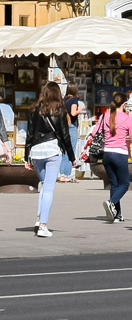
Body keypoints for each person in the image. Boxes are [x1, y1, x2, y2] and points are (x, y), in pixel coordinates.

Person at [24, 81, 76, 238]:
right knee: (48, 189)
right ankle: (43, 226)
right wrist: (72, 158)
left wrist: (27, 156)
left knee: (44, 185)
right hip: (53, 150)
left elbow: (29, 134)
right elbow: (65, 136)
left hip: (37, 152)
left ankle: (39, 219)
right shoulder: (59, 110)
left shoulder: (34, 110)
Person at [90, 91, 132, 223]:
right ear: (124, 104)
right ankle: (111, 202)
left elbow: (94, 133)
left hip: (107, 154)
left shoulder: (104, 116)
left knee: (114, 184)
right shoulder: (127, 118)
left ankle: (117, 215)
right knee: (124, 184)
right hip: (120, 154)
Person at [59, 85, 81, 183]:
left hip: (64, 126)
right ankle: (67, 174)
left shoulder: (64, 100)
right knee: (70, 150)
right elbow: (73, 113)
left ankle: (62, 174)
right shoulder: (74, 100)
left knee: (64, 151)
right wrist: (79, 109)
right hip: (71, 126)